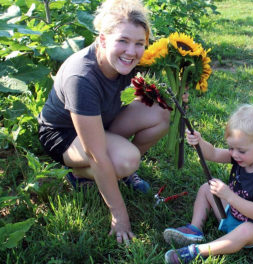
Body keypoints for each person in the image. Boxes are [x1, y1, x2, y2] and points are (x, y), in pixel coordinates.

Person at [37, 0, 188, 244]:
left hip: (102, 119)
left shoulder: (125, 60)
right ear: (103, 39)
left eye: (140, 43)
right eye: (123, 41)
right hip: (64, 135)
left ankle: (114, 171)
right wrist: (120, 216)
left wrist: (174, 94)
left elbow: (133, 93)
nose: (131, 51)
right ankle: (82, 173)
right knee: (125, 159)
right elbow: (95, 153)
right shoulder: (82, 77)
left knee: (161, 113)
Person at [163, 104, 253, 264]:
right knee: (206, 188)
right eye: (231, 148)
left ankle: (198, 251)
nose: (234, 154)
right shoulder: (241, 156)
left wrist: (229, 196)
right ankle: (195, 229)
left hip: (252, 230)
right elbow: (212, 153)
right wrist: (199, 141)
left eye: (241, 150)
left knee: (247, 230)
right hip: (230, 214)